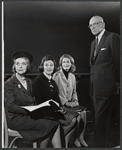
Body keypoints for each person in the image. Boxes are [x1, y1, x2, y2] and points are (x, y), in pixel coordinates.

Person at [4, 51, 62, 148]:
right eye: (17, 63)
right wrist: (28, 110)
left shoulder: (29, 82)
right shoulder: (9, 83)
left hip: (28, 116)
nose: (20, 66)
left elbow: (33, 101)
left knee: (54, 121)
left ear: (28, 66)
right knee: (49, 124)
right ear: (14, 66)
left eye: (24, 63)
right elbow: (10, 106)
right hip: (15, 119)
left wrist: (41, 107)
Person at [32, 55, 78, 148]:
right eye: (47, 65)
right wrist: (54, 111)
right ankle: (52, 138)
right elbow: (39, 102)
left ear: (54, 67)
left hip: (54, 111)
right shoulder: (38, 80)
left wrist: (59, 109)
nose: (49, 67)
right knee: (54, 125)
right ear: (42, 66)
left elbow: (57, 99)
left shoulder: (52, 81)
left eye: (51, 65)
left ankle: (60, 136)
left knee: (74, 118)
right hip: (43, 113)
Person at [88, 16, 120, 147]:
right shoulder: (93, 43)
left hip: (107, 88)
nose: (92, 27)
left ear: (103, 24)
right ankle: (101, 146)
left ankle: (99, 147)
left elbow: (120, 62)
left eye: (95, 24)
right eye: (90, 26)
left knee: (101, 122)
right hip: (94, 89)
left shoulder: (113, 37)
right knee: (98, 121)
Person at [53, 54, 88, 148]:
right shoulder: (56, 75)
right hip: (62, 105)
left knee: (84, 112)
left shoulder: (72, 76)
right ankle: (69, 139)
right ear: (61, 64)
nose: (66, 64)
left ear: (71, 64)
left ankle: (80, 138)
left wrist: (76, 101)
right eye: (64, 62)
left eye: (68, 62)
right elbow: (55, 93)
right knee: (77, 117)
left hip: (71, 103)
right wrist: (66, 102)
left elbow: (74, 91)